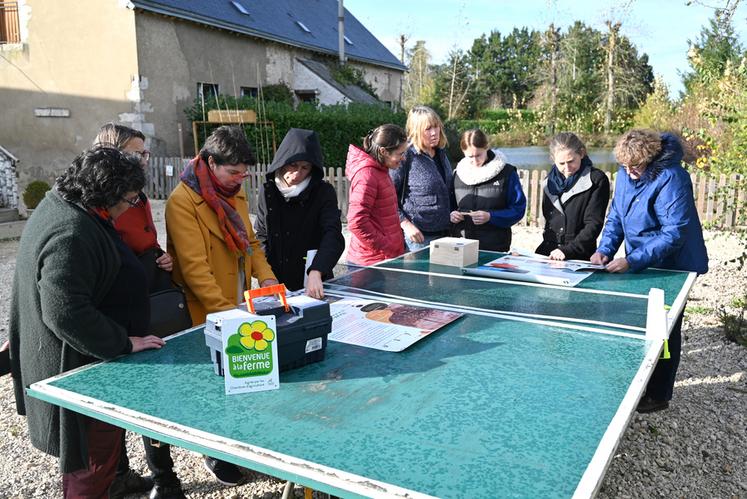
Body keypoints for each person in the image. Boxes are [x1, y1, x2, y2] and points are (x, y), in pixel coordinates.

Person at [8, 147, 166, 498]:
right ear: (102, 193)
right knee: (89, 467)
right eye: (128, 198)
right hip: (80, 371)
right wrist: (123, 342)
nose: (132, 205)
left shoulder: (65, 204)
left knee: (98, 460)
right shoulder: (71, 231)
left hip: (88, 365)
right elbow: (66, 311)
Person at [165, 125, 277, 486]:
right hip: (206, 308)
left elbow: (251, 244)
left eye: (244, 173)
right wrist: (229, 315)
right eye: (233, 172)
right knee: (211, 384)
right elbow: (195, 268)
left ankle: (240, 439)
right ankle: (213, 451)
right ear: (210, 163)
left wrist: (268, 279)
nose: (240, 179)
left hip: (239, 301)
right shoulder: (182, 202)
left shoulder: (235, 192)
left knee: (243, 376)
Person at [93, 124, 183, 499]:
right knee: (122, 390)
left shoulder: (139, 193)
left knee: (152, 387)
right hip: (120, 300)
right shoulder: (101, 198)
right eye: (135, 153)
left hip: (149, 289)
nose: (143, 161)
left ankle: (164, 477)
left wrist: (161, 254)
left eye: (144, 154)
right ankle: (121, 474)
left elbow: (145, 233)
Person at [590, 129, 708, 413]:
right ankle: (639, 382)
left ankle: (658, 393)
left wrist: (631, 260)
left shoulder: (672, 177)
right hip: (643, 260)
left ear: (651, 159)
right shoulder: (626, 171)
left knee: (665, 328)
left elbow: (674, 233)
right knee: (639, 323)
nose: (630, 173)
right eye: (625, 167)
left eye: (636, 167)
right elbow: (617, 215)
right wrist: (605, 248)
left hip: (674, 264)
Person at [255, 128, 344, 298]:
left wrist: (317, 270)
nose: (297, 174)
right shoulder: (268, 191)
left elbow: (332, 234)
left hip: (314, 281)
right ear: (282, 161)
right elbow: (261, 236)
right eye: (293, 165)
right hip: (275, 282)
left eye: (305, 168)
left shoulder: (323, 192)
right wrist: (266, 275)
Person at [535, 132, 610, 260]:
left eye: (571, 161)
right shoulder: (548, 182)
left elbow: (593, 224)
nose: (567, 168)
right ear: (553, 160)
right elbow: (549, 222)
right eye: (561, 163)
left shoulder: (597, 180)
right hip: (549, 252)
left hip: (580, 254)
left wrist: (568, 250)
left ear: (581, 153)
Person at [449, 129, 526, 251]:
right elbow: (450, 205)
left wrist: (491, 216)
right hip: (461, 244)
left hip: (495, 246)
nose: (475, 161)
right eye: (470, 156)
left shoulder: (507, 173)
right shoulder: (457, 174)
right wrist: (452, 214)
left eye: (478, 155)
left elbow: (518, 208)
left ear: (486, 147)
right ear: (463, 152)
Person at [391, 106, 453, 252]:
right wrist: (405, 223)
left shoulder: (441, 154)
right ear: (416, 131)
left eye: (436, 126)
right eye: (428, 129)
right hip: (417, 238)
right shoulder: (405, 156)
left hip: (446, 234)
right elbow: (387, 197)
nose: (434, 133)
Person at [345, 124, 408, 266]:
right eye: (400, 154)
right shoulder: (367, 175)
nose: (403, 158)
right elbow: (356, 222)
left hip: (384, 259)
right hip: (370, 263)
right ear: (383, 151)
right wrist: (387, 246)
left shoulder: (381, 171)